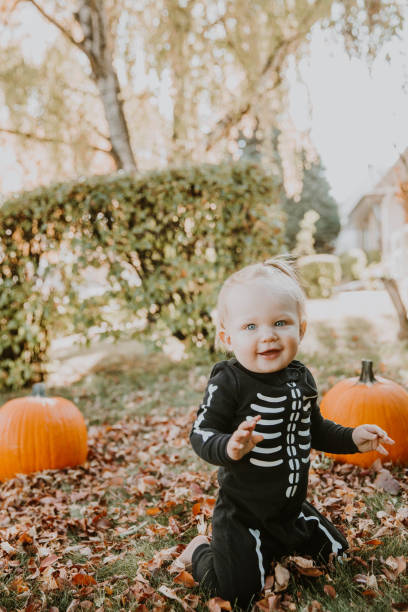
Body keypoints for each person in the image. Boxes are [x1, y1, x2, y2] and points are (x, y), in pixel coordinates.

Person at [178, 258, 394, 609]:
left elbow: (316, 429)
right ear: (227, 336)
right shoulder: (228, 380)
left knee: (339, 557)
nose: (268, 335)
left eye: (281, 322)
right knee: (240, 595)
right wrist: (229, 446)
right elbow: (201, 433)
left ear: (301, 329)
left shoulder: (301, 377)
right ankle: (201, 551)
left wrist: (353, 438)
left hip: (288, 509)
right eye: (250, 326)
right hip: (243, 515)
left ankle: (279, 544)